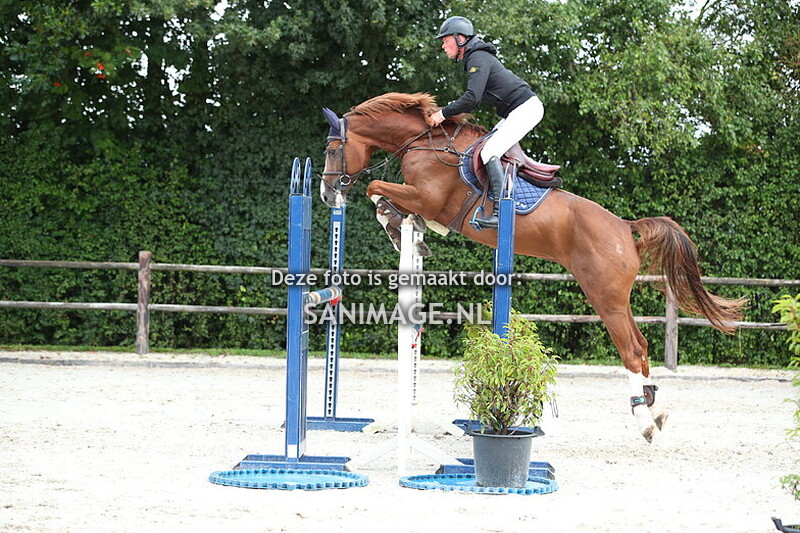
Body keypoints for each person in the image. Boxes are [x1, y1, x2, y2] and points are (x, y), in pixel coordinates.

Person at [429, 16, 544, 229]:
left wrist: (442, 113)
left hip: (526, 109)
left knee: (488, 152)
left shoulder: (477, 57)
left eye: (446, 40)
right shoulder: (474, 58)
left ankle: (501, 212)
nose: (443, 45)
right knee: (482, 148)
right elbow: (473, 101)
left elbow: (471, 98)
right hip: (516, 112)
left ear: (460, 38)